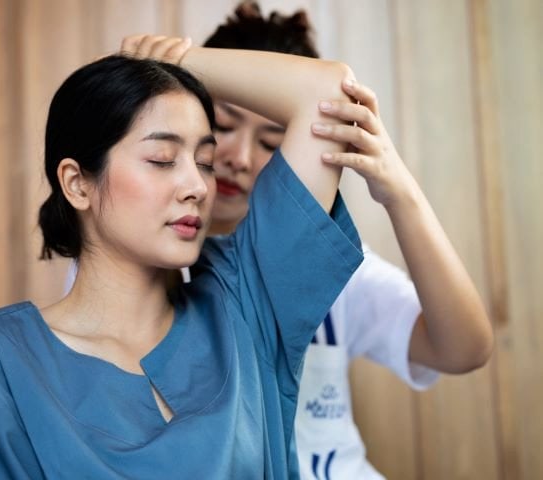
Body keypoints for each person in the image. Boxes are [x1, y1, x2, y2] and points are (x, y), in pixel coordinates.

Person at [0, 36, 365, 478]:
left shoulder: (245, 299)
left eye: (204, 161)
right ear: (77, 184)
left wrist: (176, 61)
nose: (197, 187)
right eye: (162, 159)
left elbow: (328, 94)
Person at [202, 3, 493, 479]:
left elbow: (465, 348)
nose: (237, 156)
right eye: (224, 125)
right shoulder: (149, 266)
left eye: (271, 142)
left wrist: (401, 194)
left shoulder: (338, 269)